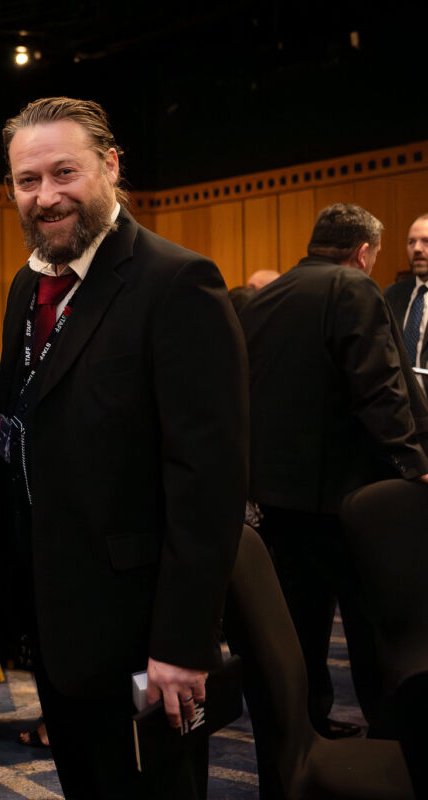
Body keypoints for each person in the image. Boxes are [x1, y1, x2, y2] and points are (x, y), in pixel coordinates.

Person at [0, 96, 247, 798]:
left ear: (111, 166)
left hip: (143, 637)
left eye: (64, 173)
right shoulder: (26, 287)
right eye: (27, 181)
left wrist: (184, 644)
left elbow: (208, 481)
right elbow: (17, 420)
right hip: (56, 629)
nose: (46, 197)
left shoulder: (176, 282)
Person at [241, 203, 428, 739]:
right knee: (370, 618)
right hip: (345, 496)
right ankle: (389, 729)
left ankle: (306, 727)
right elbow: (380, 387)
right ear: (363, 252)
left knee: (301, 619)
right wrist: (411, 463)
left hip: (277, 494)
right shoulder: (354, 288)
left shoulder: (265, 297)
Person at [385, 213, 428, 398]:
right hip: (401, 410)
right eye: (411, 242)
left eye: (426, 241)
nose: (417, 249)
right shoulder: (392, 294)